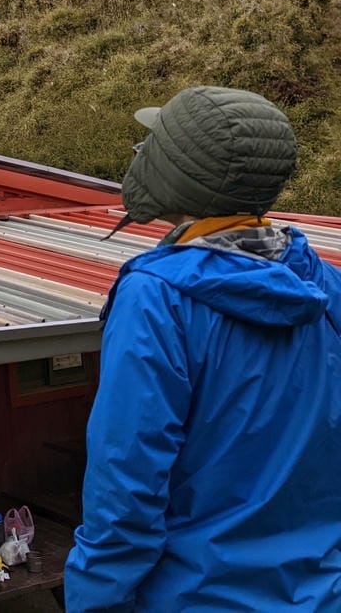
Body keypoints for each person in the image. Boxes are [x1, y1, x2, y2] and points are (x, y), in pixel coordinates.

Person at [64, 86, 341, 610]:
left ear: (178, 172)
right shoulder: (325, 285)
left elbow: (126, 480)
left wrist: (96, 600)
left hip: (199, 596)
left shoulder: (157, 297)